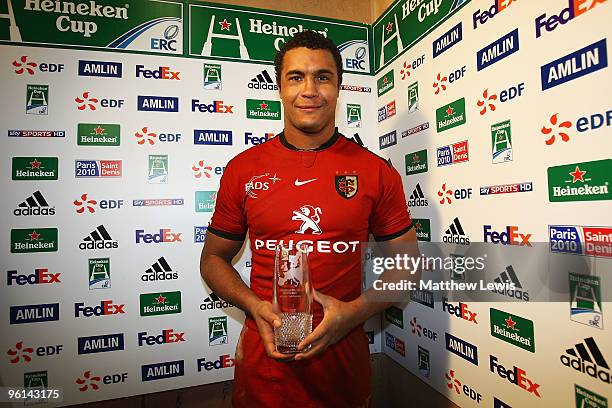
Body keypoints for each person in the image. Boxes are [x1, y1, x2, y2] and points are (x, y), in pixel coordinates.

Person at [200, 30, 417, 408]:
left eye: (323, 76)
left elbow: (409, 264)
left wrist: (354, 313)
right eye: (296, 77)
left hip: (342, 366)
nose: (310, 89)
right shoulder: (243, 169)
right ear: (280, 87)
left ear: (339, 87)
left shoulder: (375, 171)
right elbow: (213, 259)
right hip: (264, 367)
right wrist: (253, 305)